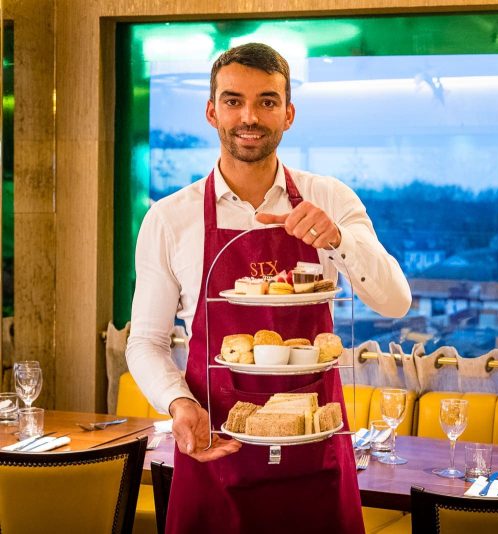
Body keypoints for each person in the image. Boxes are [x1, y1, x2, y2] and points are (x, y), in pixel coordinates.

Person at [126, 43, 411, 534]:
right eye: (234, 101)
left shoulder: (329, 198)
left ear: (289, 113)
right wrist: (179, 403)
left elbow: (394, 301)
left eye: (267, 101)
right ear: (212, 111)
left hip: (315, 452)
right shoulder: (169, 218)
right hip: (215, 448)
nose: (249, 116)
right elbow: (146, 343)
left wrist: (338, 239)